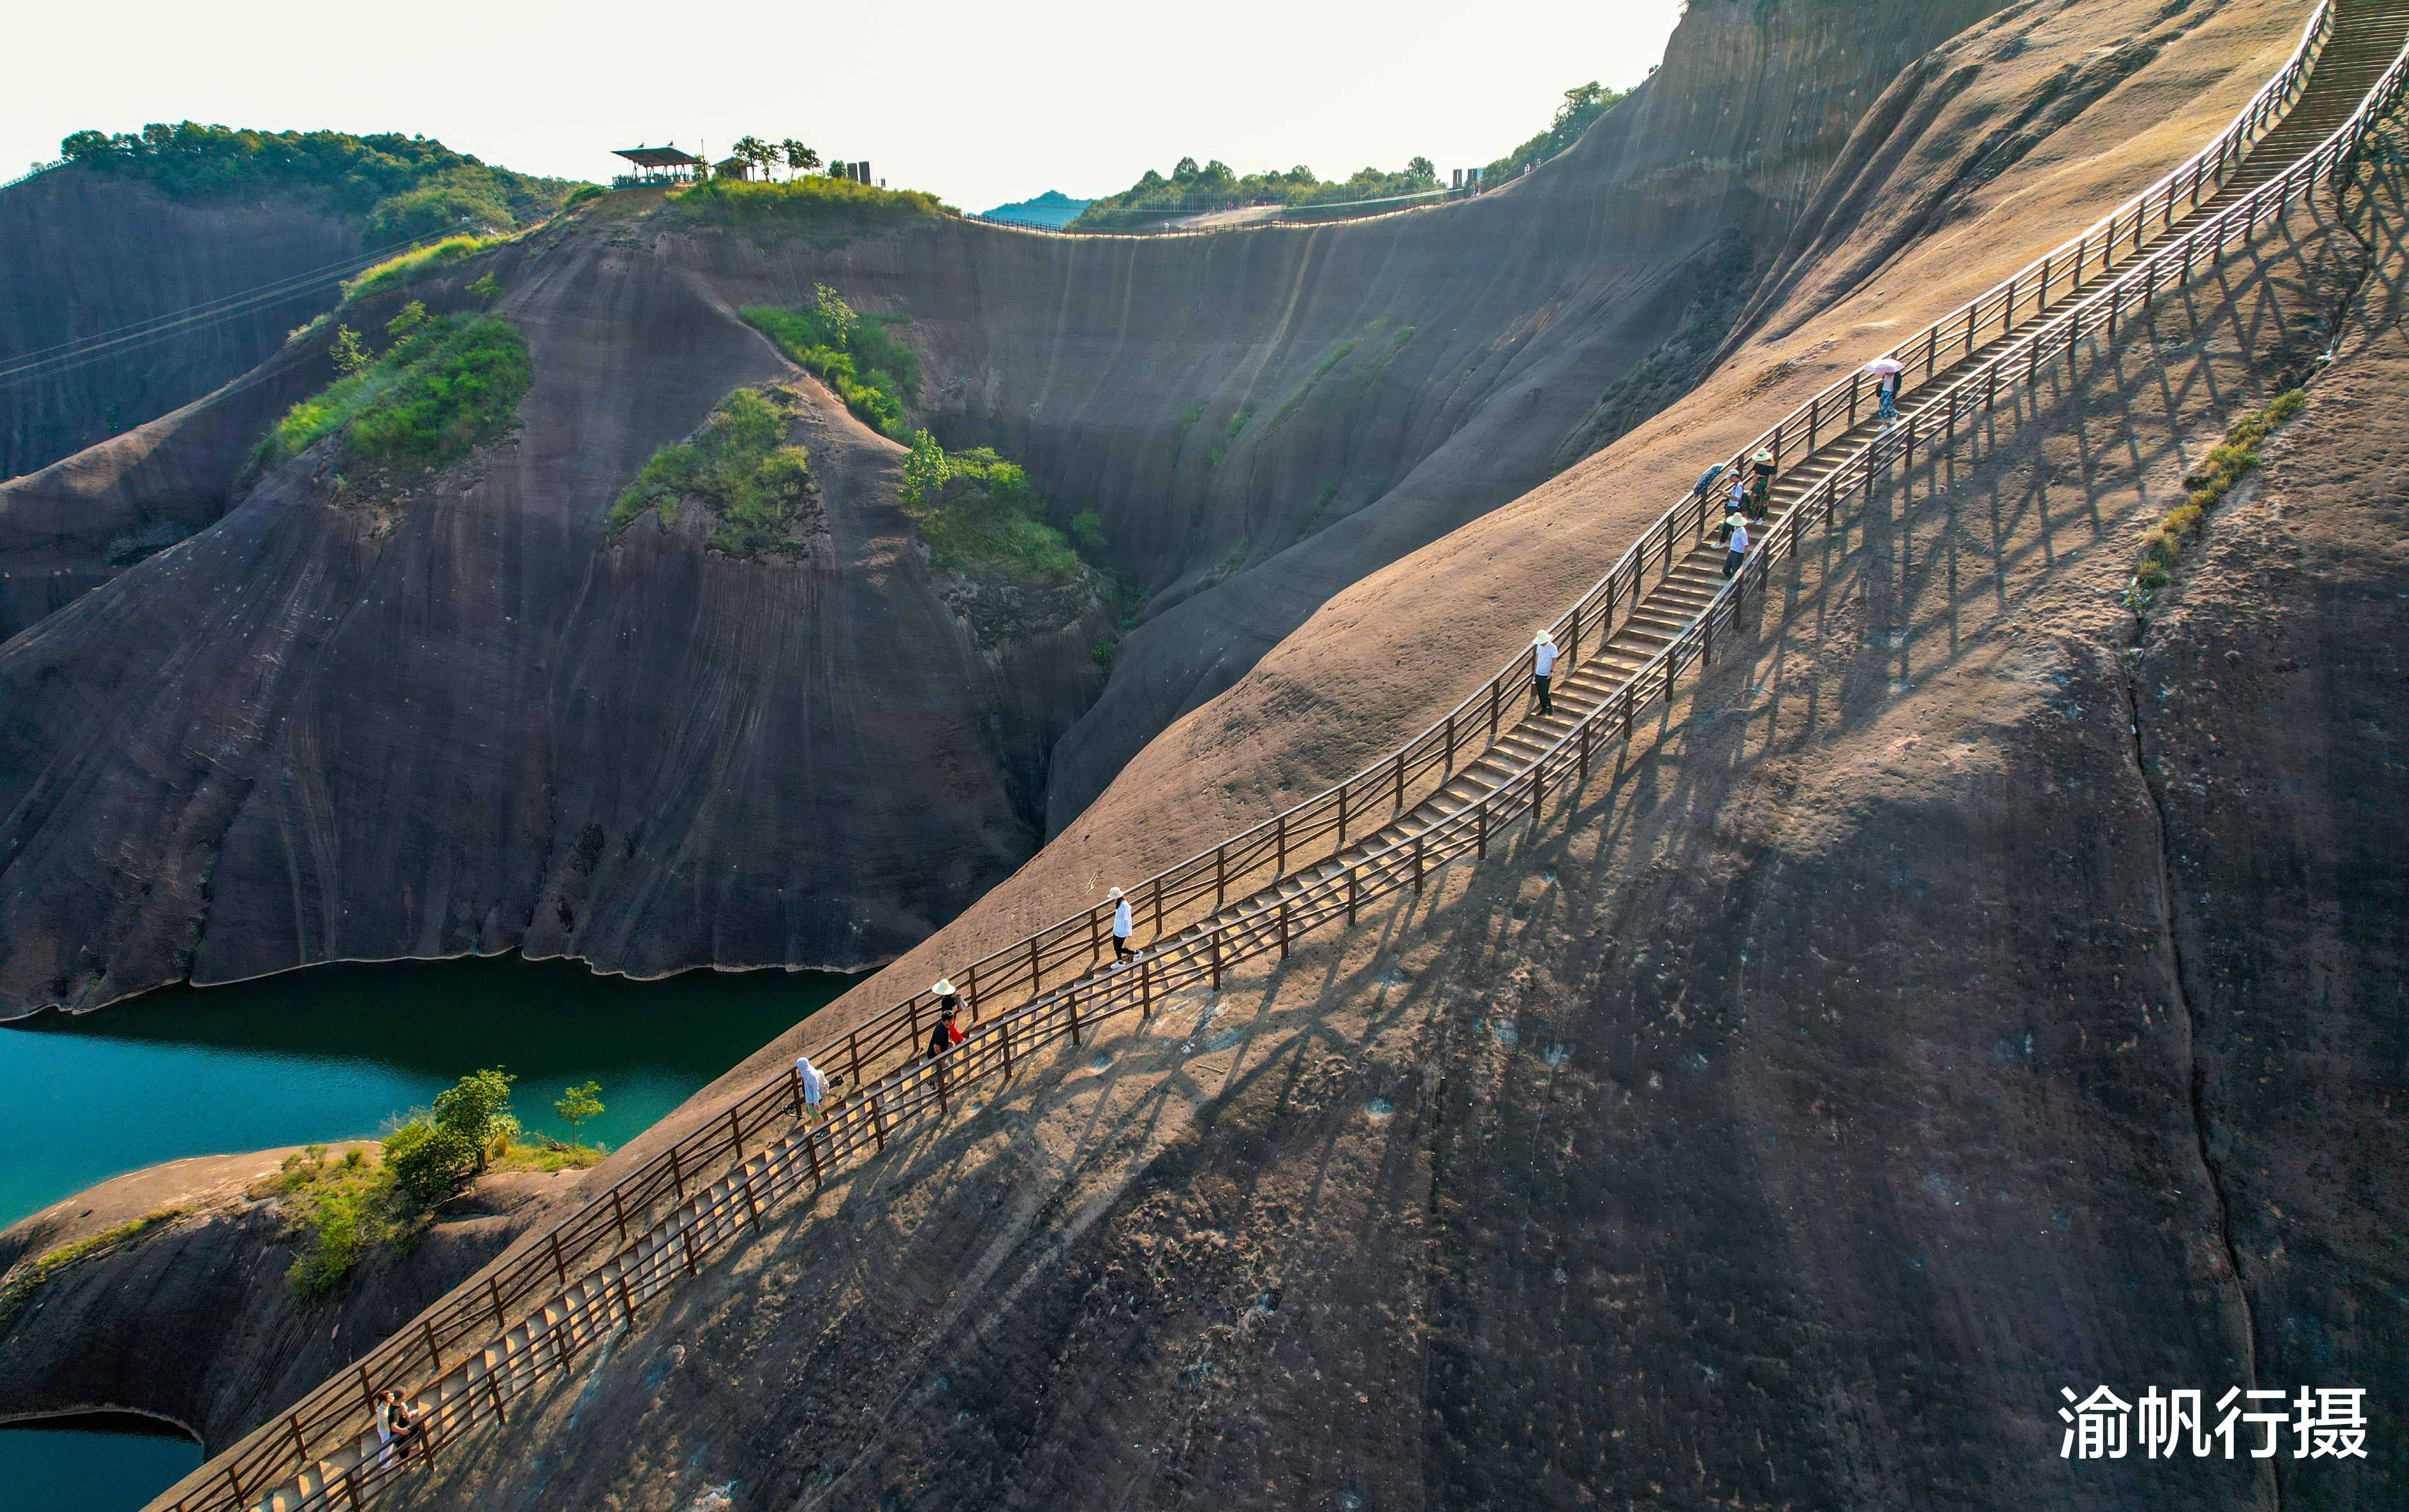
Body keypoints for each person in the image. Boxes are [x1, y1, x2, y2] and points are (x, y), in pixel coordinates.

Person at [925, 996, 964, 1060]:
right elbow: (936, 1047)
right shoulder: (941, 1031)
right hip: (935, 1056)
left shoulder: (944, 1026)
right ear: (947, 1021)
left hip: (941, 1051)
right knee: (948, 1068)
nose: (953, 1022)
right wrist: (941, 1057)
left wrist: (948, 1042)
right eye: (952, 1021)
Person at [1531, 629, 1558, 717]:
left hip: (1546, 674)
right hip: (1539, 673)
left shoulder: (1552, 647)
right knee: (1540, 692)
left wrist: (1551, 671)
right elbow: (1538, 658)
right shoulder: (1539, 646)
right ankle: (1544, 708)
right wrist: (1536, 672)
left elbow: (1554, 660)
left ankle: (1549, 707)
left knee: (1544, 692)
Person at [1108, 887, 1135, 965]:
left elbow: (1128, 919)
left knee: (1118, 947)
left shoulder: (1124, 905)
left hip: (1122, 930)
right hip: (1118, 929)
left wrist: (1129, 932)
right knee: (1116, 946)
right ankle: (1120, 961)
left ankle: (1136, 953)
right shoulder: (1119, 903)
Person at [1722, 511, 1750, 579]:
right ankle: (1733, 583)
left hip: (1738, 554)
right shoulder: (1736, 529)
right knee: (1726, 570)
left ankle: (1737, 586)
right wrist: (1730, 550)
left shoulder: (1742, 532)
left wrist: (1745, 558)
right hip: (1733, 552)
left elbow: (1746, 545)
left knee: (1736, 573)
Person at [1748, 446, 1776, 513]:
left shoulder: (1771, 464)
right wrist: (1753, 483)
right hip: (1759, 480)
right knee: (1754, 498)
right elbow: (1755, 474)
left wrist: (1768, 486)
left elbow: (1770, 476)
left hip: (1765, 481)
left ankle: (1761, 516)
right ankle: (1754, 515)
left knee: (1764, 499)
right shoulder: (1758, 463)